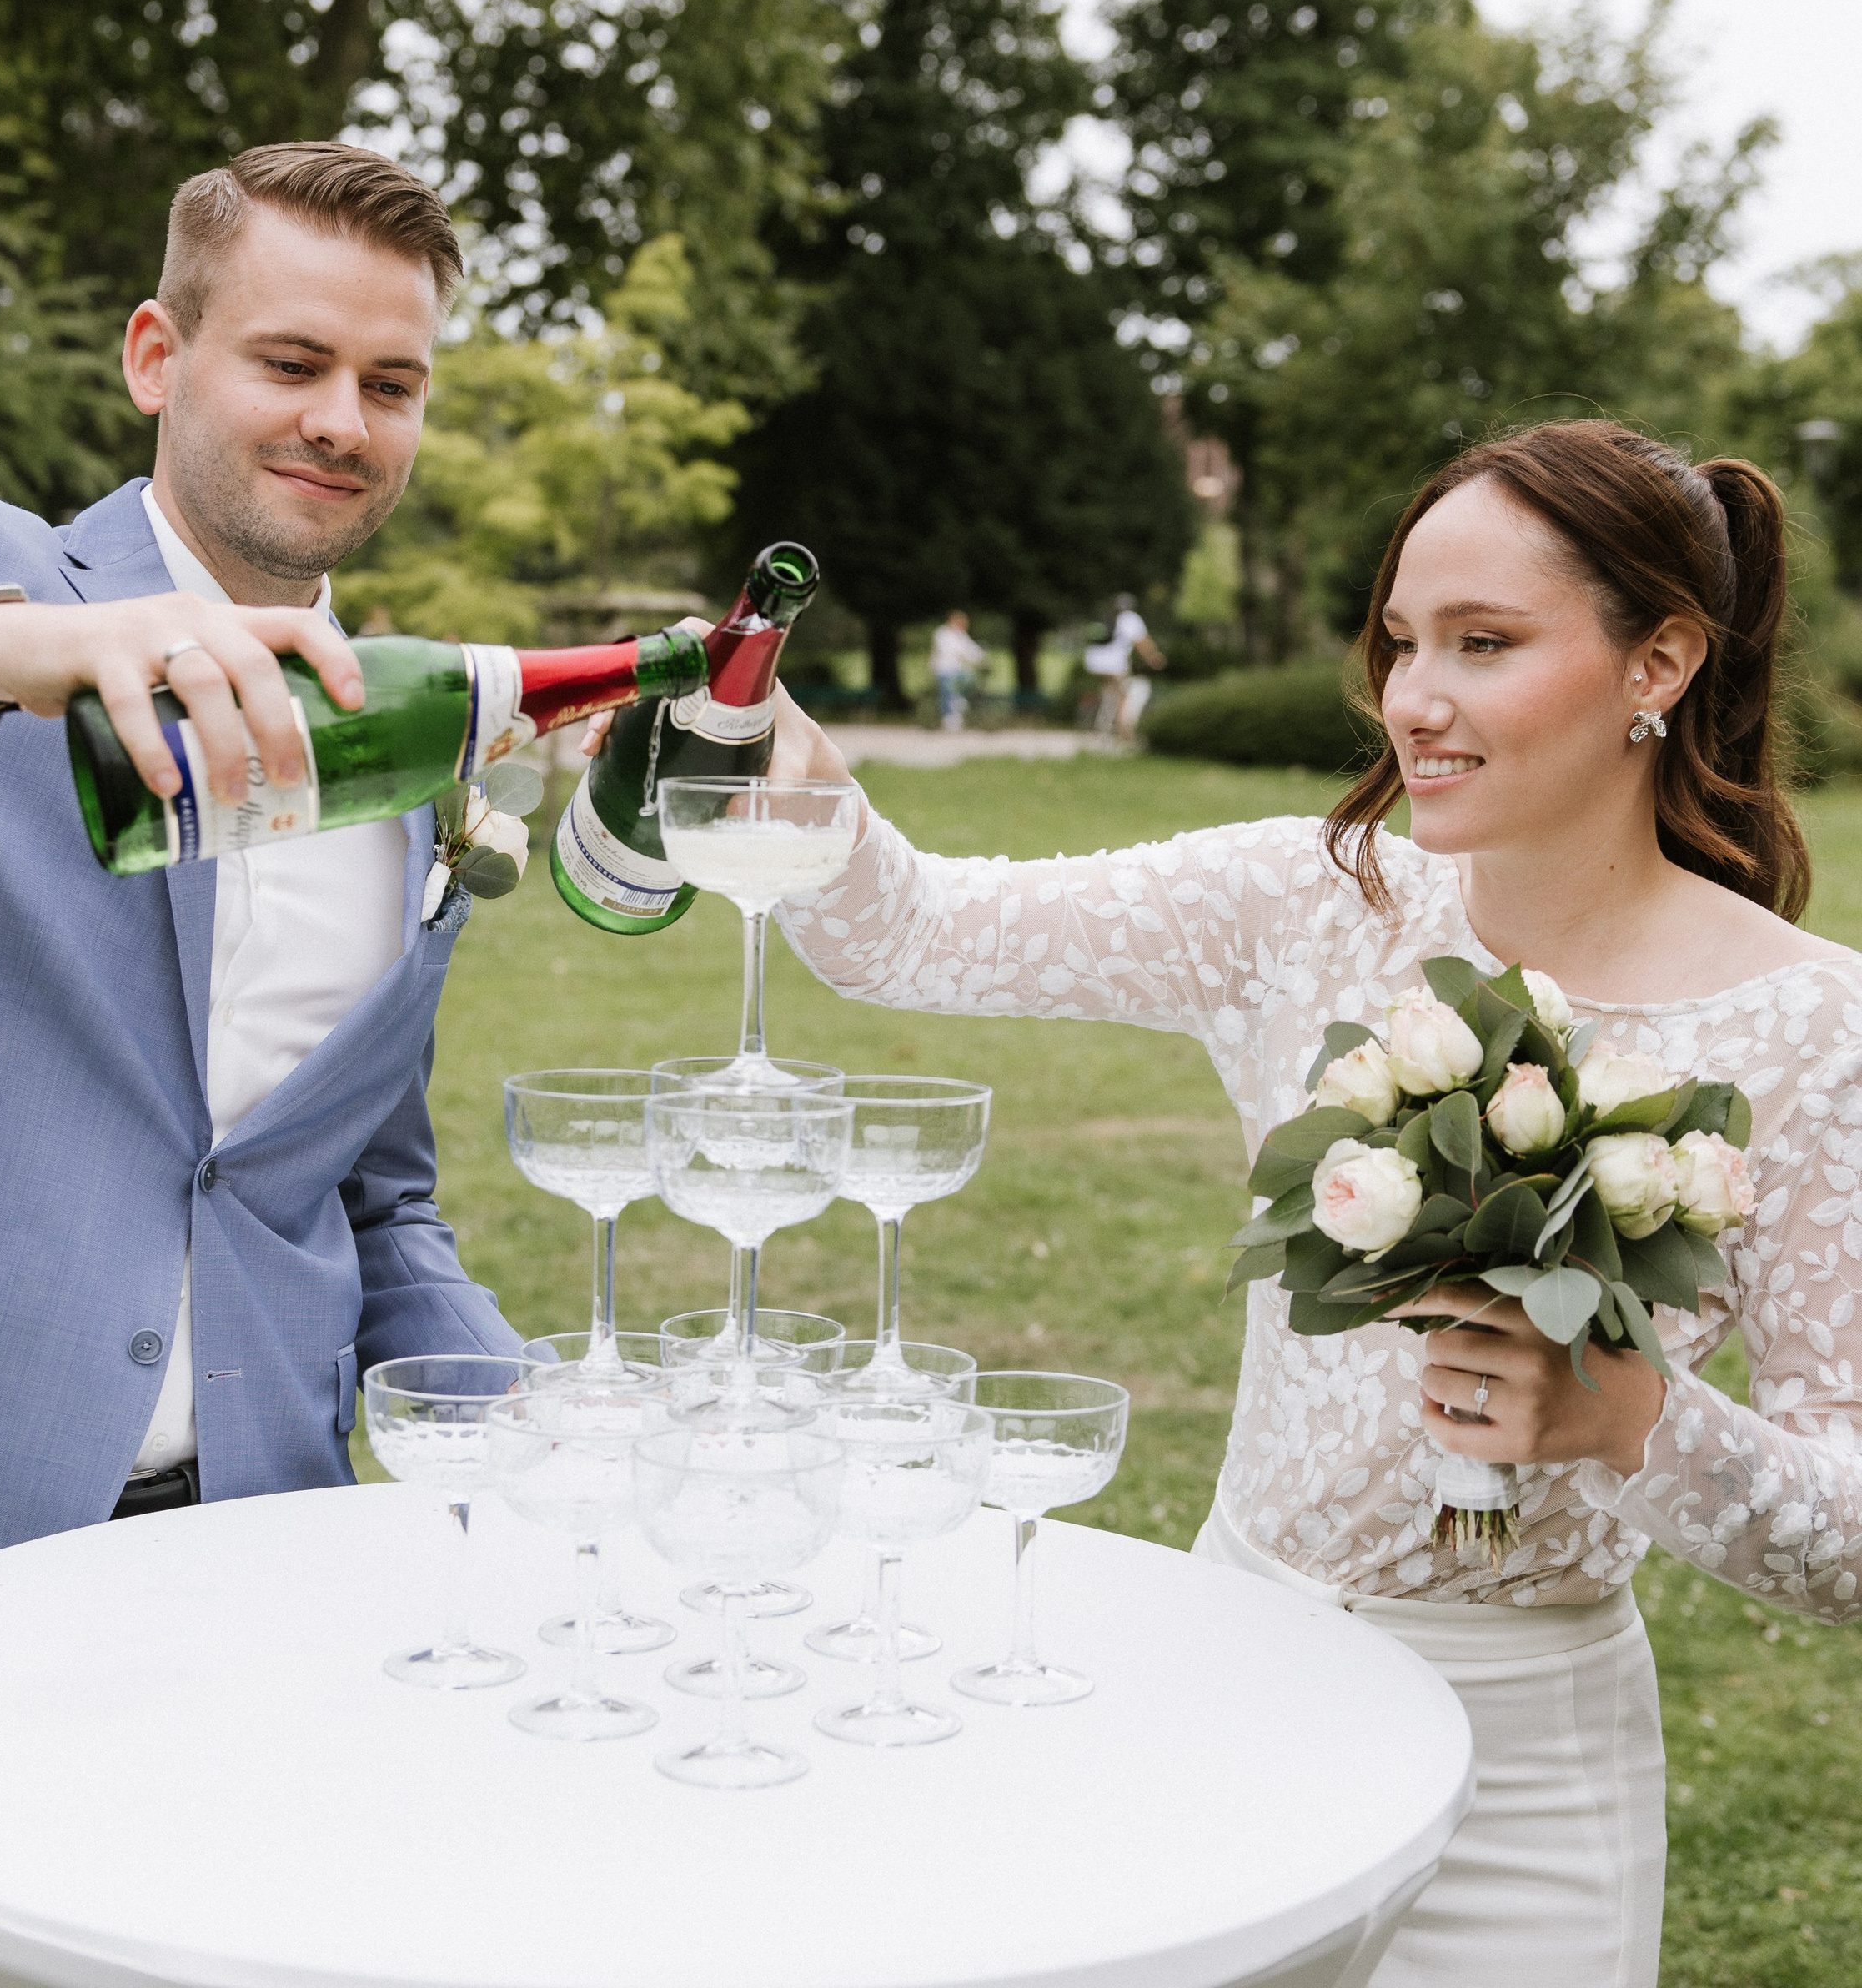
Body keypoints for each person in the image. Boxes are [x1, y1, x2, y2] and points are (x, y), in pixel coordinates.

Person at [763, 420, 1862, 1986]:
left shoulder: (1816, 1031)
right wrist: (800, 778)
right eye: (1404, 640)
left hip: (1524, 1778)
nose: (1415, 697)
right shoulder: (1306, 903)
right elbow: (913, 937)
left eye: (1485, 645)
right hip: (1232, 1691)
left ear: (1658, 664)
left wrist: (1632, 1420)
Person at [0, 142, 523, 1985]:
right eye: (291, 362)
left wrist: (553, 1427)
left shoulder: (403, 749)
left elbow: (361, 1191)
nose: (342, 420)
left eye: (389, 385)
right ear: (158, 354)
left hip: (235, 1591)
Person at [1082, 591, 1165, 740]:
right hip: (1114, 664)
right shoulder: (1131, 618)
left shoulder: (1107, 616)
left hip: (1093, 662)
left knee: (1109, 690)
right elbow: (1141, 642)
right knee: (1123, 694)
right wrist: (1153, 658)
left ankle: (1096, 719)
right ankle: (1123, 733)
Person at [928, 609, 985, 731]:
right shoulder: (942, 634)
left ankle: (958, 711)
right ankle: (948, 719)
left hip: (958, 671)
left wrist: (981, 656)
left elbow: (971, 649)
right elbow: (952, 651)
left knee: (966, 686)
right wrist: (967, 656)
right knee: (948, 694)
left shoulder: (961, 635)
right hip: (945, 670)